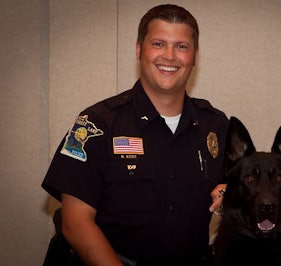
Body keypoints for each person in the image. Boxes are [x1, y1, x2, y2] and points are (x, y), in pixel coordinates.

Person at [42, 4, 227, 266]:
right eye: (159, 44)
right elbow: (75, 224)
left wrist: (230, 194)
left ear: (195, 56)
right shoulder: (96, 123)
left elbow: (235, 190)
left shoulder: (215, 125)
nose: (170, 56)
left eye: (182, 46)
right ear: (139, 50)